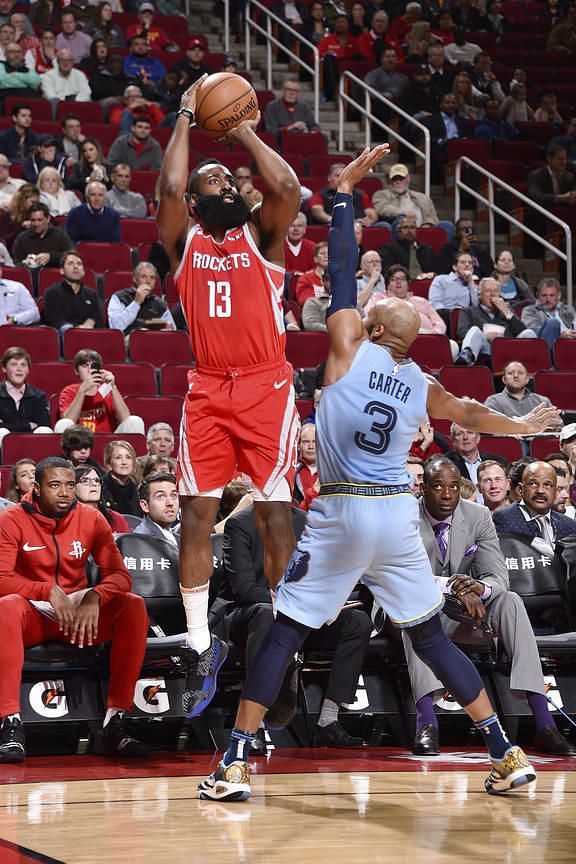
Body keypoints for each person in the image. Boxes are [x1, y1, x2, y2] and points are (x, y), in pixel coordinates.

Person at [198, 146, 559, 802]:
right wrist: (527, 426)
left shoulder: (344, 344)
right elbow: (473, 411)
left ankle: (237, 761)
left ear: (370, 325)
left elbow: (339, 268)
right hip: (395, 514)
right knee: (426, 633)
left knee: (286, 630)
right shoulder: (419, 381)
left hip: (341, 512)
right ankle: (503, 750)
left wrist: (342, 196)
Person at [157, 75, 301, 720]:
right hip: (208, 388)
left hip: (267, 384)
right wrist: (189, 116)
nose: (228, 188)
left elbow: (288, 188)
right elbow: (167, 187)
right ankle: (196, 642)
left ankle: (287, 634)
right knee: (195, 511)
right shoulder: (180, 241)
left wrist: (240, 125)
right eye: (212, 183)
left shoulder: (264, 237)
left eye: (231, 182)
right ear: (195, 202)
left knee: (275, 516)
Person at [406, 456, 574, 757]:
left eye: (454, 487)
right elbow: (403, 577)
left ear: (462, 488)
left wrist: (480, 588)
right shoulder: (402, 516)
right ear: (423, 488)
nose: (447, 495)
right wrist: (453, 586)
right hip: (406, 607)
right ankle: (427, 724)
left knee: (510, 602)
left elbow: (497, 575)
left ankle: (544, 724)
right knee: (416, 614)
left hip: (459, 613)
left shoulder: (478, 515)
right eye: (438, 487)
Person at [0, 456, 149, 763]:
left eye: (71, 485)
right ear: (37, 488)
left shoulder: (92, 519)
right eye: (55, 485)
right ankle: (10, 723)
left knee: (133, 606)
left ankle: (115, 721)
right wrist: (45, 590)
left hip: (79, 618)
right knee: (6, 608)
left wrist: (96, 594)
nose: (65, 493)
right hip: (35, 613)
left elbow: (121, 576)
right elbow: (1, 579)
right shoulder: (12, 519)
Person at [214, 502, 372, 750]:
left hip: (298, 613)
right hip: (247, 613)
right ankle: (251, 726)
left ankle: (328, 721)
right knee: (267, 615)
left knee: (357, 622)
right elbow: (244, 588)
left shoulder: (310, 521)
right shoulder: (241, 523)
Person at [55, 349, 145, 436]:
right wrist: (82, 392)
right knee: (63, 423)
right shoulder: (69, 391)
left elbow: (126, 419)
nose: (89, 370)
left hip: (109, 442)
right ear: (76, 371)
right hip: (78, 442)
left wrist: (113, 387)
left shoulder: (107, 389)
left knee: (135, 421)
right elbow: (67, 421)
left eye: (93, 366)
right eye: (85, 366)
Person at [493, 461, 576, 549]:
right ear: (521, 489)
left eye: (547, 485)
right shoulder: (504, 519)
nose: (540, 491)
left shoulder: (569, 525)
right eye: (533, 484)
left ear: (555, 491)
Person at [454, 277, 536, 367]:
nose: (492, 295)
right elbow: (462, 333)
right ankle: (466, 359)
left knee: (529, 333)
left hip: (509, 350)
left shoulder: (507, 311)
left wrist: (507, 313)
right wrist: (485, 335)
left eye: (496, 291)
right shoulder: (468, 311)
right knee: (474, 330)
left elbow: (522, 332)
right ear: (479, 295)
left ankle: (531, 365)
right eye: (488, 291)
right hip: (487, 350)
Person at [0, 346, 52, 447]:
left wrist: (8, 425)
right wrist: (28, 425)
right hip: (3, 444)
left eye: (23, 365)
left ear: (28, 370)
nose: (19, 369)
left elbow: (44, 425)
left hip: (31, 443)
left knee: (44, 431)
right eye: (14, 364)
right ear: (4, 368)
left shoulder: (38, 396)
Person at [372, 163, 447, 232]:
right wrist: (403, 213)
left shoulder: (423, 197)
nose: (398, 182)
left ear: (408, 179)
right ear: (389, 181)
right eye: (395, 179)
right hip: (398, 231)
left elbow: (433, 217)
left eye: (401, 178)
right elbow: (383, 209)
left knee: (447, 225)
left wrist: (427, 224)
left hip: (421, 229)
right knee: (400, 220)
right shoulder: (381, 195)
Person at [107, 261, 176, 335]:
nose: (148, 281)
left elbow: (173, 330)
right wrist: (136, 303)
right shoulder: (119, 297)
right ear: (134, 279)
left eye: (152, 278)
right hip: (128, 340)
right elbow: (116, 326)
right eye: (143, 277)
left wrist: (167, 328)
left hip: (155, 340)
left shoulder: (160, 303)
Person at [43, 250, 103, 333]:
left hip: (90, 336)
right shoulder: (52, 293)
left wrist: (92, 321)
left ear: (84, 271)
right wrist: (79, 328)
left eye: (79, 264)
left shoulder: (92, 294)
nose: (76, 267)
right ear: (62, 271)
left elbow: (99, 320)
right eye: (70, 263)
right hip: (64, 337)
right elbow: (56, 322)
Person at [484, 361, 559, 422]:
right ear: (504, 379)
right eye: (510, 373)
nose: (516, 376)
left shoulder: (542, 401)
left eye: (520, 373)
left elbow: (558, 426)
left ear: (527, 379)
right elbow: (489, 427)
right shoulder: (493, 401)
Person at [309, 162, 377, 226]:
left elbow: (372, 215)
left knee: (383, 225)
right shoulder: (320, 195)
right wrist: (333, 220)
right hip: (333, 226)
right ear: (329, 177)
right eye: (337, 176)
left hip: (358, 226)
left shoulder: (360, 194)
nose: (341, 178)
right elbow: (317, 212)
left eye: (345, 176)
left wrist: (367, 221)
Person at [521, 277, 576, 353]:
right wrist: (559, 334)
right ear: (538, 295)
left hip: (570, 347)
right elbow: (533, 332)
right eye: (544, 295)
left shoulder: (568, 310)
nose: (548, 299)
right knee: (553, 323)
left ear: (559, 296)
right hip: (546, 350)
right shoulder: (530, 311)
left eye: (551, 295)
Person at [12, 202, 72, 267]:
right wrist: (25, 264)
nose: (36, 224)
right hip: (30, 275)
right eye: (33, 220)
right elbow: (17, 263)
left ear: (48, 219)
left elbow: (71, 256)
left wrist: (51, 257)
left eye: (39, 220)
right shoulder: (22, 239)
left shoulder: (60, 235)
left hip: (56, 274)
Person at [75, 464, 130, 534]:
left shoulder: (115, 518)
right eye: (86, 481)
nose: (94, 484)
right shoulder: (66, 519)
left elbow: (127, 543)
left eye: (97, 480)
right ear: (73, 487)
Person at [65, 180, 121, 244]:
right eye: (93, 195)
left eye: (100, 195)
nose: (97, 199)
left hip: (105, 252)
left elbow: (115, 243)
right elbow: (70, 241)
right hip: (81, 252)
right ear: (87, 197)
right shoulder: (75, 214)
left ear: (105, 198)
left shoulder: (113, 215)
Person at [133, 471, 179, 542]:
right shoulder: (142, 540)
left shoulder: (178, 537)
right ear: (145, 506)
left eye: (173, 496)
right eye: (160, 497)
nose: (170, 503)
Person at [101, 439, 142, 517]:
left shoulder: (139, 488)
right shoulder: (101, 487)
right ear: (109, 464)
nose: (124, 462)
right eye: (118, 458)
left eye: (128, 457)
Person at [295, 241, 328, 306]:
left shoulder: (339, 277)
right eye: (322, 253)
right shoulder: (305, 279)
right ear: (315, 259)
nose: (326, 256)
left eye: (329, 253)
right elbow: (305, 300)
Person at [293, 423, 317, 506]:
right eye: (306, 442)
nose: (311, 446)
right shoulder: (291, 471)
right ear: (298, 445)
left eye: (315, 442)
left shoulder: (331, 471)